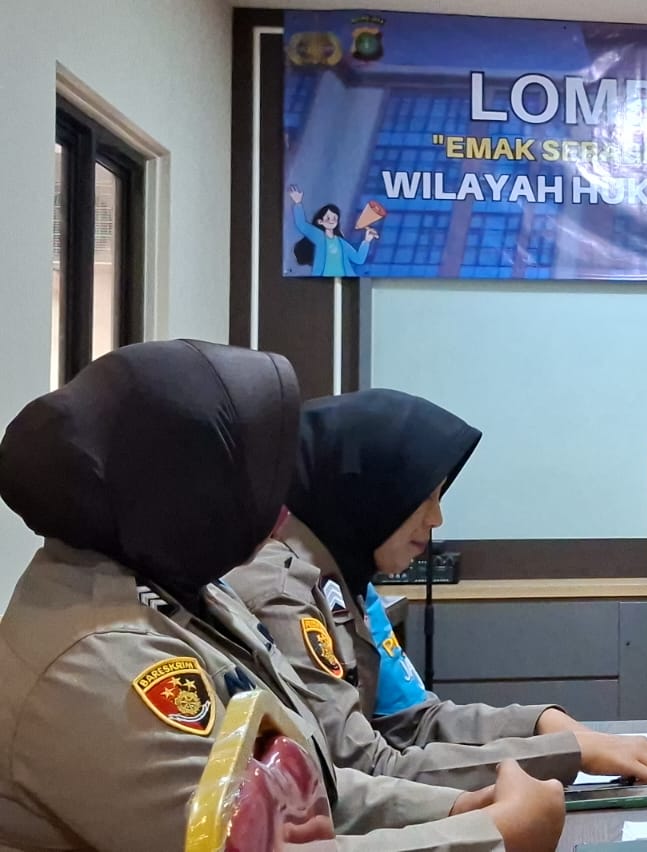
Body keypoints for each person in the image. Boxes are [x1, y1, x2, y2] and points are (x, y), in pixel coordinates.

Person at [0, 340, 563, 851]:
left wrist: (459, 808)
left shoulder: (181, 591)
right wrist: (495, 832)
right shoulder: (101, 660)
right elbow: (253, 841)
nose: (276, 501)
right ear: (189, 488)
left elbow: (305, 786)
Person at [227, 388, 647, 789]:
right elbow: (362, 767)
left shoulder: (334, 577)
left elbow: (406, 723)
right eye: (424, 498)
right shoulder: (283, 592)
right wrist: (564, 754)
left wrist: (542, 724)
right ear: (370, 492)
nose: (437, 519)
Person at [289, 184, 375, 277]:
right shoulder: (319, 237)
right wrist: (298, 203)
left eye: (334, 218)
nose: (332, 221)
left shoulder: (341, 243)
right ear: (320, 221)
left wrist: (367, 241)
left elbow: (359, 259)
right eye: (328, 218)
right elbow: (301, 225)